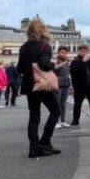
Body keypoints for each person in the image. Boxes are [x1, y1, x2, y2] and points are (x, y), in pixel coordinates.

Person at [17, 18, 61, 158]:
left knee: (34, 117)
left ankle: (34, 148)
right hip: (42, 85)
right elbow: (43, 64)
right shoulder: (44, 46)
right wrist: (53, 64)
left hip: (29, 86)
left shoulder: (24, 47)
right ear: (43, 30)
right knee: (55, 111)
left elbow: (19, 69)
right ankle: (45, 142)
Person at [70, 44, 90, 125]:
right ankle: (75, 120)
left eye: (86, 51)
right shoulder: (75, 61)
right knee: (77, 103)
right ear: (79, 51)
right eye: (82, 51)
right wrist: (84, 61)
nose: (84, 53)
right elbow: (75, 71)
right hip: (79, 87)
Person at [54, 45, 72, 127]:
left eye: (65, 53)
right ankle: (56, 121)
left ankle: (63, 120)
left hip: (66, 84)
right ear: (58, 52)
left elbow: (68, 73)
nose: (63, 54)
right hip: (57, 85)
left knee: (63, 104)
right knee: (56, 103)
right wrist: (66, 61)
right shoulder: (54, 59)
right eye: (62, 52)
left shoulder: (67, 61)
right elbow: (55, 68)